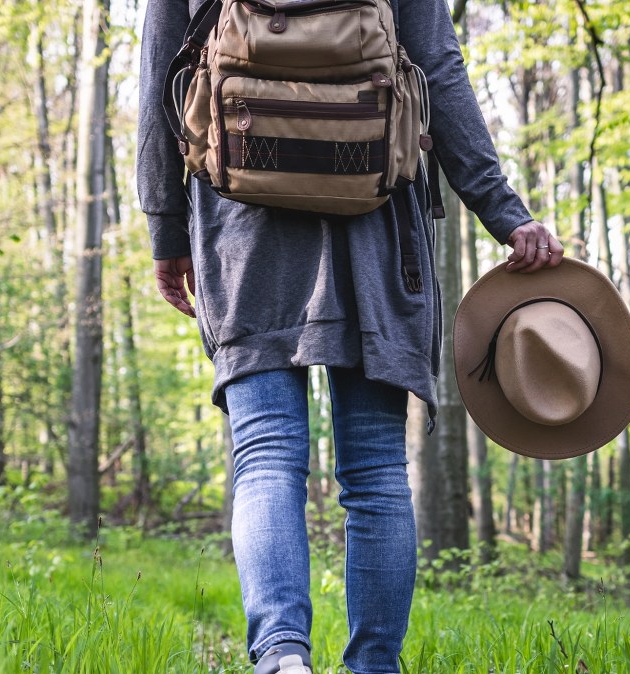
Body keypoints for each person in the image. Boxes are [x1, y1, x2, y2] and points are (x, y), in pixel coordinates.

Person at [137, 1, 564, 672]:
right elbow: (439, 69)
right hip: (376, 219)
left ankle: (281, 657)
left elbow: (163, 68)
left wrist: (166, 225)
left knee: (267, 454)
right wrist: (504, 212)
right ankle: (373, 666)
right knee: (374, 469)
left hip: (242, 225)